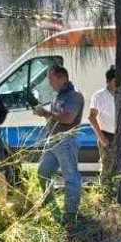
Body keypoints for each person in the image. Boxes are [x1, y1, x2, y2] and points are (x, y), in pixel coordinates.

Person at [33, 66, 85, 226]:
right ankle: (49, 203)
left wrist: (46, 113)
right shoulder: (58, 95)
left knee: (70, 177)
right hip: (53, 140)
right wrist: (44, 114)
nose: (50, 83)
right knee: (43, 173)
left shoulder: (75, 96)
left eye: (51, 79)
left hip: (66, 141)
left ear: (63, 78)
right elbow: (55, 118)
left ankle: (70, 215)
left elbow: (68, 118)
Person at [88, 66, 117, 186]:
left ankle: (117, 194)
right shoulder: (99, 96)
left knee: (120, 169)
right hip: (106, 136)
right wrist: (102, 138)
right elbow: (92, 117)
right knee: (107, 168)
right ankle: (105, 193)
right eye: (116, 81)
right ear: (108, 81)